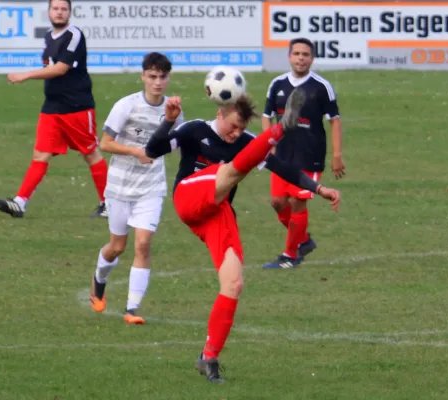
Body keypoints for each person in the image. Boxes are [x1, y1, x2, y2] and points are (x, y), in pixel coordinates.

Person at [144, 87, 340, 382]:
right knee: (230, 170)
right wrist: (169, 120)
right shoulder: (195, 129)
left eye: (241, 128)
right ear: (219, 113)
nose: (236, 133)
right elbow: (152, 150)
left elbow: (283, 168)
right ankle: (281, 128)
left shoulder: (248, 143)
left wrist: (319, 188)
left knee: (233, 283)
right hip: (188, 198)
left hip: (216, 211)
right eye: (233, 126)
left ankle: (208, 357)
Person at [89, 52, 184, 324]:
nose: (157, 82)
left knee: (142, 244)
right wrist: (136, 151)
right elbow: (104, 143)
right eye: (152, 76)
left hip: (151, 188)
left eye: (162, 77)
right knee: (117, 247)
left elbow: (178, 144)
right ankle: (99, 278)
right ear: (143, 76)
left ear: (168, 78)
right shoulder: (126, 105)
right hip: (119, 187)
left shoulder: (173, 111)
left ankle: (132, 309)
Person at [0, 0, 108, 219]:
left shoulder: (74, 35)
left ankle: (109, 203)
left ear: (70, 13)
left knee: (90, 153)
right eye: (55, 8)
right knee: (41, 154)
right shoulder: (48, 36)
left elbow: (60, 69)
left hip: (76, 106)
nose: (59, 12)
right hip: (52, 106)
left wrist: (26, 75)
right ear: (49, 12)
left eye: (64, 9)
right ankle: (20, 202)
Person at [262, 37, 345, 269]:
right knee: (277, 202)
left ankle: (290, 256)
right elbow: (267, 115)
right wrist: (268, 143)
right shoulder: (277, 84)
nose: (301, 58)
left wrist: (337, 155)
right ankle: (304, 240)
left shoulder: (321, 87)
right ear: (289, 57)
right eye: (297, 54)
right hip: (282, 155)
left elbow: (335, 120)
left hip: (310, 154)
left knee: (298, 202)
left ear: (312, 59)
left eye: (305, 54)